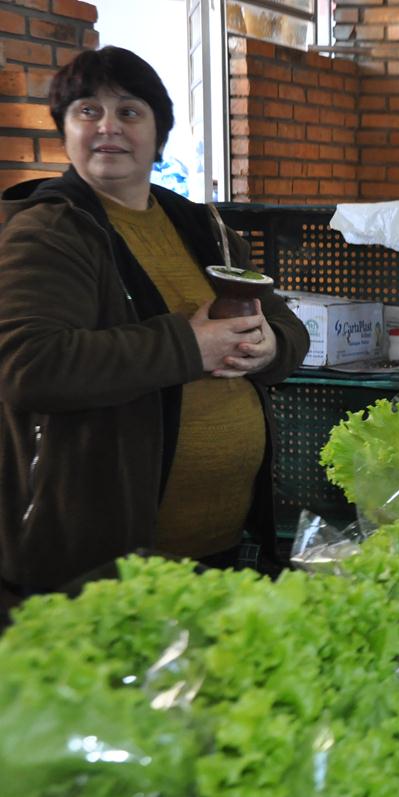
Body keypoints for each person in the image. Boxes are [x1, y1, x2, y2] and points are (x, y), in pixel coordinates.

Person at [0, 47, 309, 619]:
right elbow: (29, 366)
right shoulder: (51, 231)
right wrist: (188, 346)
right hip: (103, 567)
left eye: (130, 111)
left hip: (220, 549)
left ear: (158, 134)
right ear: (64, 131)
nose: (108, 126)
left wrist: (271, 345)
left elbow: (283, 321)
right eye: (87, 111)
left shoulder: (200, 225)